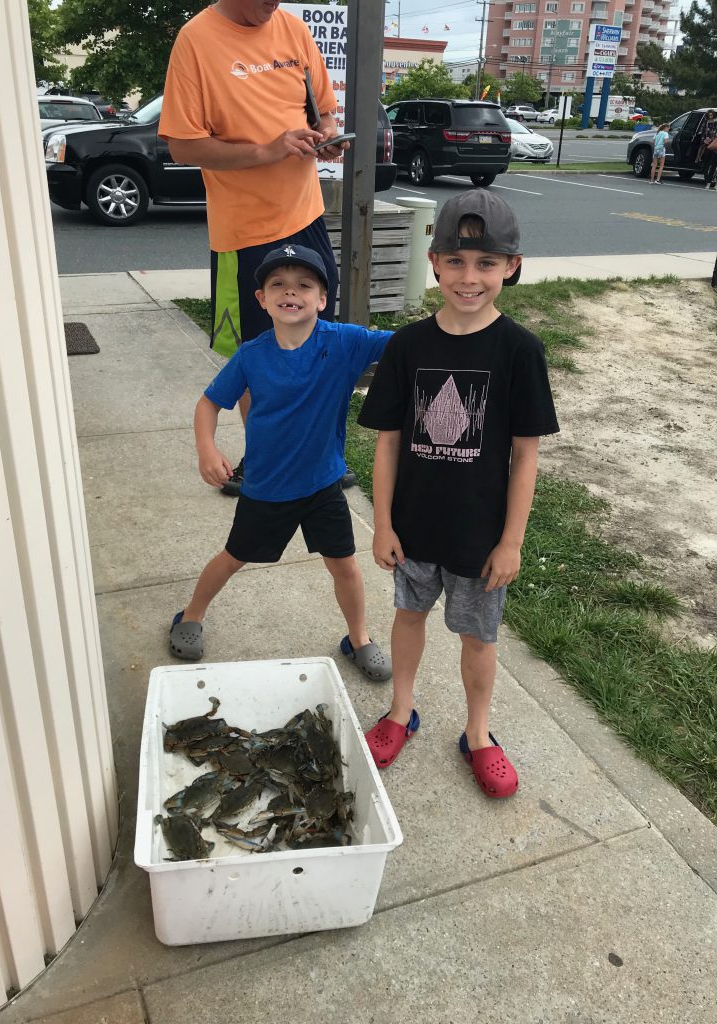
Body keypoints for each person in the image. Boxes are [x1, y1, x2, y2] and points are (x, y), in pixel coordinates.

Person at [357, 191, 559, 798]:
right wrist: (383, 523)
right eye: (457, 262)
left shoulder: (520, 350)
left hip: (479, 536)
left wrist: (512, 542)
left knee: (479, 638)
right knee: (407, 616)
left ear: (512, 267)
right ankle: (400, 711)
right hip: (414, 527)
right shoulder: (407, 346)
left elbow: (526, 454)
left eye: (487, 264)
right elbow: (388, 443)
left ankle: (477, 734)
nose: (470, 278)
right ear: (435, 261)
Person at [168, 244, 393, 683]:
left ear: (322, 299)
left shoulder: (346, 342)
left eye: (304, 285)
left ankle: (359, 638)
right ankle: (190, 615)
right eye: (278, 285)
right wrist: (206, 448)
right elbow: (208, 404)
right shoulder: (252, 355)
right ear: (262, 299)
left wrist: (457, 324)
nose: (291, 293)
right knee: (233, 558)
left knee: (345, 565)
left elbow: (406, 344)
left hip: (323, 484)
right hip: (267, 488)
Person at [159, 0, 354, 496]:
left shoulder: (291, 27)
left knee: (317, 339)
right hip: (243, 232)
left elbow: (324, 110)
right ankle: (267, 459)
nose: (274, 4)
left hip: (305, 216)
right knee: (259, 355)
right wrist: (268, 150)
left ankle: (321, 458)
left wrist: (329, 136)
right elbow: (183, 145)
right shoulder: (197, 41)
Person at [698, 110, 717, 189]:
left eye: (711, 115)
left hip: (713, 144)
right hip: (709, 146)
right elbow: (702, 132)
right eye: (709, 115)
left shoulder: (715, 123)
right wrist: (705, 140)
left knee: (713, 166)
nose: (710, 116)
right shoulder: (705, 123)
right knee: (710, 165)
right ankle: (708, 182)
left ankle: (713, 183)